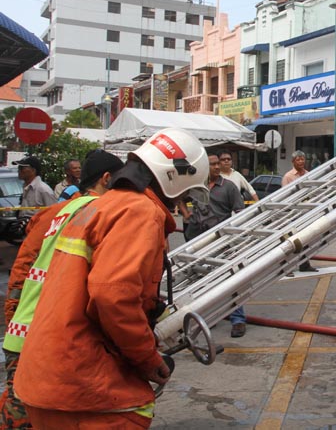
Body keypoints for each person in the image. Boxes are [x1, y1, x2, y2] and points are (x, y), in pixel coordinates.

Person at [14, 128, 209, 428]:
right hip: (84, 387)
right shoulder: (140, 211)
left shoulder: (99, 206)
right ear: (175, 177)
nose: (182, 200)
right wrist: (148, 358)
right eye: (186, 192)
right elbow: (111, 295)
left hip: (43, 377)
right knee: (136, 409)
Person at [1, 149, 123, 429]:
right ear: (106, 179)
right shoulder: (94, 213)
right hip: (41, 333)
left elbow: (25, 269)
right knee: (28, 413)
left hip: (27, 325)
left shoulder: (62, 209)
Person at [179, 151, 246, 337]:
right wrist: (186, 214)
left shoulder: (229, 187)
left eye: (219, 163)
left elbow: (240, 211)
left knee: (230, 279)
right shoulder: (196, 188)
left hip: (221, 243)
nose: (217, 167)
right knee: (201, 280)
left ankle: (238, 319)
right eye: (213, 164)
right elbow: (178, 198)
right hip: (197, 242)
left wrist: (231, 232)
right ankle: (209, 317)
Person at [281, 150, 318, 273]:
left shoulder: (308, 174)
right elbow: (284, 195)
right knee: (292, 240)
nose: (301, 161)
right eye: (298, 159)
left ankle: (304, 264)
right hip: (293, 213)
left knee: (305, 238)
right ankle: (287, 267)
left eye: (302, 159)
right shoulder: (288, 176)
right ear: (293, 162)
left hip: (306, 212)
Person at [13, 156, 57, 221]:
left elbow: (54, 212)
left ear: (33, 170)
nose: (19, 170)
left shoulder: (43, 189)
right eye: (19, 168)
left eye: (22, 168)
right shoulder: (26, 186)